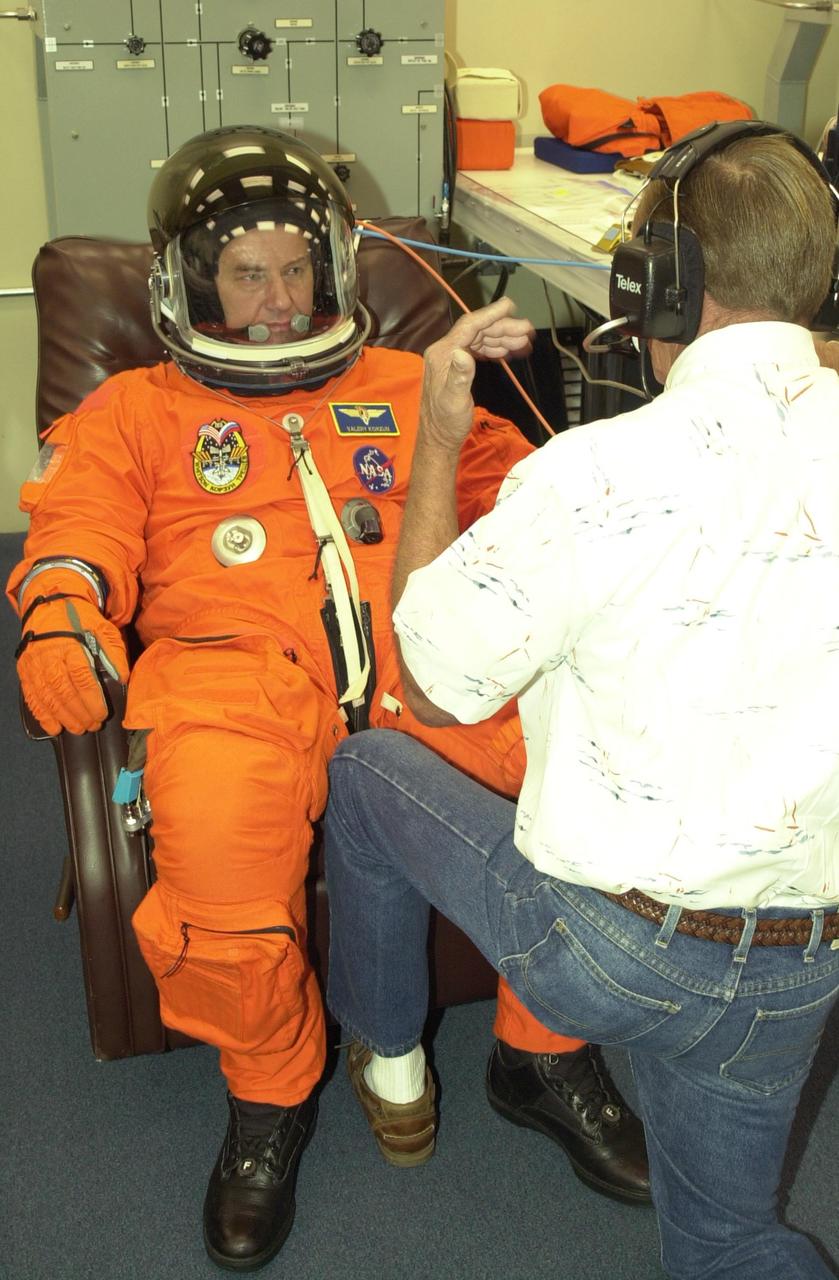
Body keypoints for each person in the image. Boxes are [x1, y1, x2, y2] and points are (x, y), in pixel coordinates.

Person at [7, 124, 650, 1272]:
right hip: (226, 675)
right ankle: (268, 1093)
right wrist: (62, 610)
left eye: (298, 269)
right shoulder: (136, 411)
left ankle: (541, 1050)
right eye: (247, 272)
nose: (278, 297)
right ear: (189, 279)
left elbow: (530, 497)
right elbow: (76, 530)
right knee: (213, 831)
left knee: (588, 768)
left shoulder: (407, 382)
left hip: (425, 659)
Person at [322, 123, 839, 1279]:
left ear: (657, 282)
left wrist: (439, 438)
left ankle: (391, 1063)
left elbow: (428, 679)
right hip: (803, 970)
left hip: (608, 953)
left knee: (362, 773)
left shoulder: (586, 473)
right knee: (728, 1244)